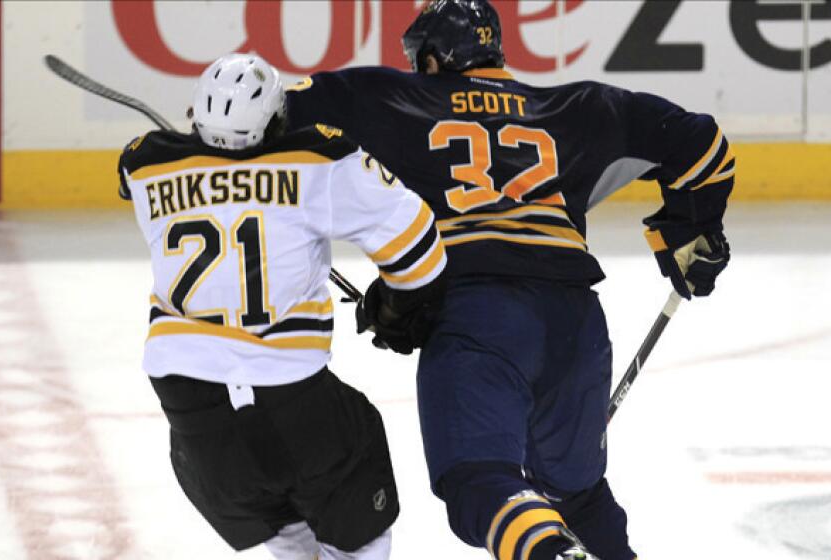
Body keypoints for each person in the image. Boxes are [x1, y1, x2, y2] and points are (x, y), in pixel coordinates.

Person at [283, 1, 733, 559]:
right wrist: (690, 234)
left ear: (430, 58)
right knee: (579, 494)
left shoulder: (394, 97)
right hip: (576, 325)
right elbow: (703, 147)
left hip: (479, 319)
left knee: (479, 486)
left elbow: (273, 111)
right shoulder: (579, 106)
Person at [117, 53, 447, 559]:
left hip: (190, 409)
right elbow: (419, 248)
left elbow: (132, 174)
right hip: (290, 395)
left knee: (282, 524)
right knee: (355, 485)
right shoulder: (319, 160)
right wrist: (395, 309)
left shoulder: (145, 166)